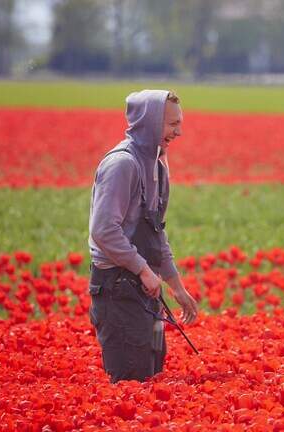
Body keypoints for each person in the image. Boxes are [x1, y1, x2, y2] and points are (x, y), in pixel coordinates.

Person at [88, 89, 199, 383]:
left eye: (180, 123)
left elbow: (155, 233)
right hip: (117, 289)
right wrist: (142, 268)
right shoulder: (122, 164)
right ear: (150, 123)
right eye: (172, 124)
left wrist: (176, 286)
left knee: (152, 374)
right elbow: (103, 230)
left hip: (144, 286)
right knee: (131, 381)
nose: (179, 132)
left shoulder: (157, 165)